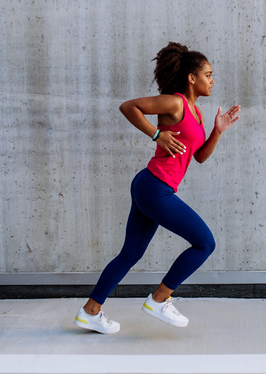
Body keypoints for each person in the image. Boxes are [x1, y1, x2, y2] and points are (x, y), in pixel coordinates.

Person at [74, 42, 241, 333]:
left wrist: (217, 130)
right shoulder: (175, 102)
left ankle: (90, 311)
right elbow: (129, 107)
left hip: (152, 186)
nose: (212, 80)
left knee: (130, 254)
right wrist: (156, 135)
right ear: (192, 77)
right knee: (205, 243)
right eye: (208, 74)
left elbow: (198, 157)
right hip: (155, 187)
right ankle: (159, 299)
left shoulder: (197, 112)